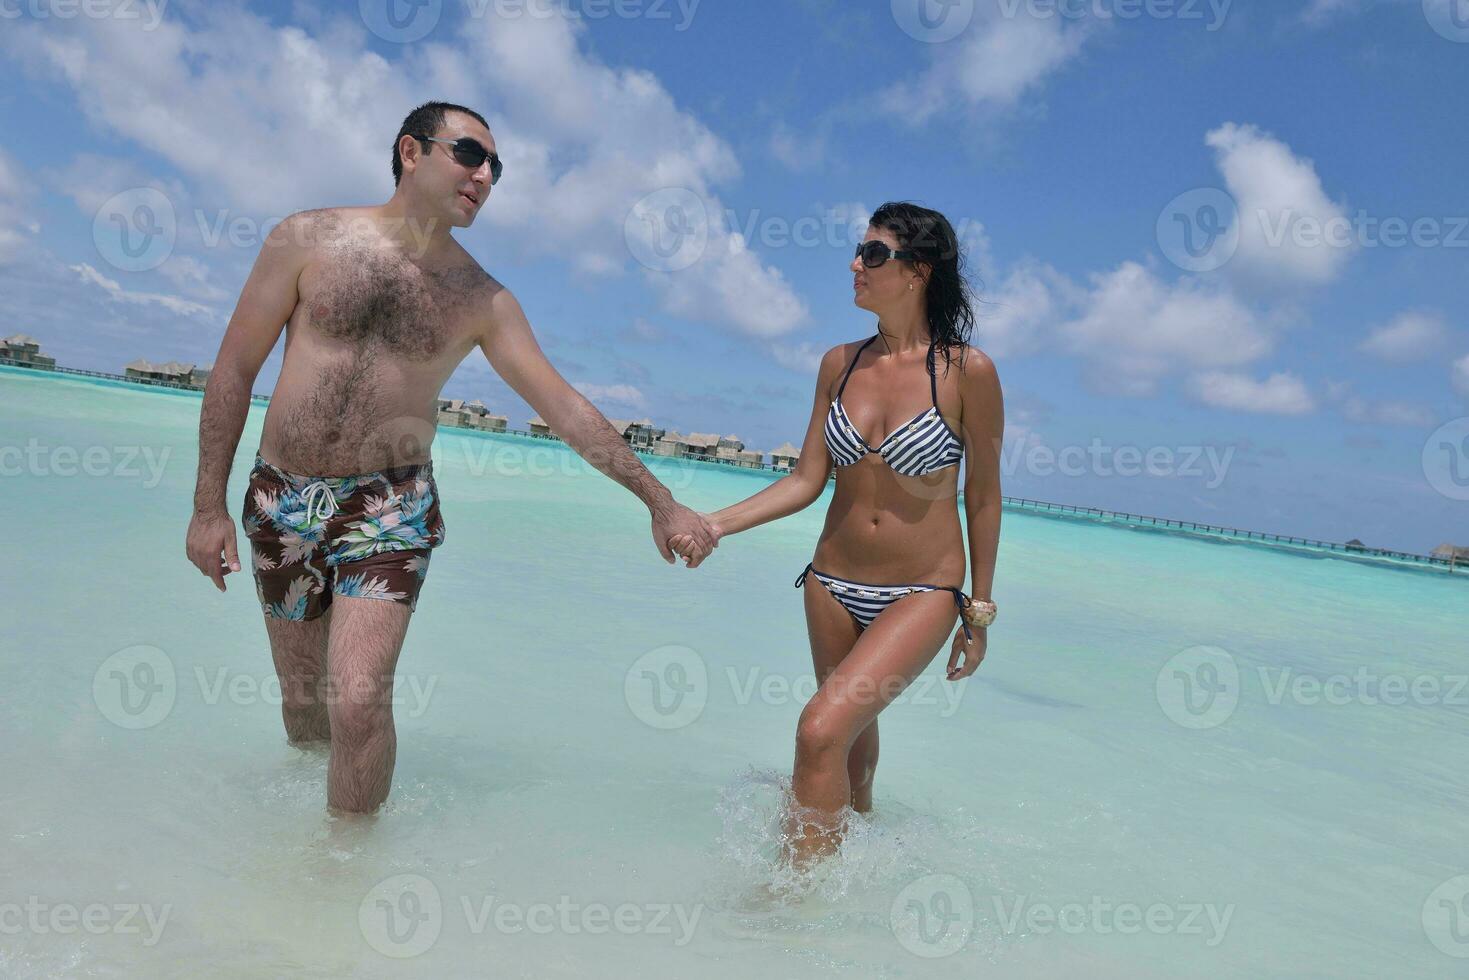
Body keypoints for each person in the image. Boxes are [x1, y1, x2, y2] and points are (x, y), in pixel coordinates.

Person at [185, 100, 717, 815]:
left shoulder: (483, 299)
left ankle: (344, 879)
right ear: (411, 150)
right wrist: (206, 506)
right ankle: (294, 854)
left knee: (359, 702)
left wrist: (660, 501)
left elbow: (562, 407)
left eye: (496, 166)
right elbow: (233, 369)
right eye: (470, 154)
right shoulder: (306, 239)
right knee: (305, 706)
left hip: (389, 509)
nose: (485, 175)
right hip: (280, 499)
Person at [671, 202, 1004, 868]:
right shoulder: (839, 364)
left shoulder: (968, 372)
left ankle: (789, 902)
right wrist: (714, 524)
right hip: (828, 585)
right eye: (858, 250)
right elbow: (804, 480)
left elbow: (982, 494)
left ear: (918, 272)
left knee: (819, 729)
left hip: (922, 590)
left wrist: (978, 610)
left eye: (874, 254)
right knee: (849, 748)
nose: (855, 264)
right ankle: (852, 882)